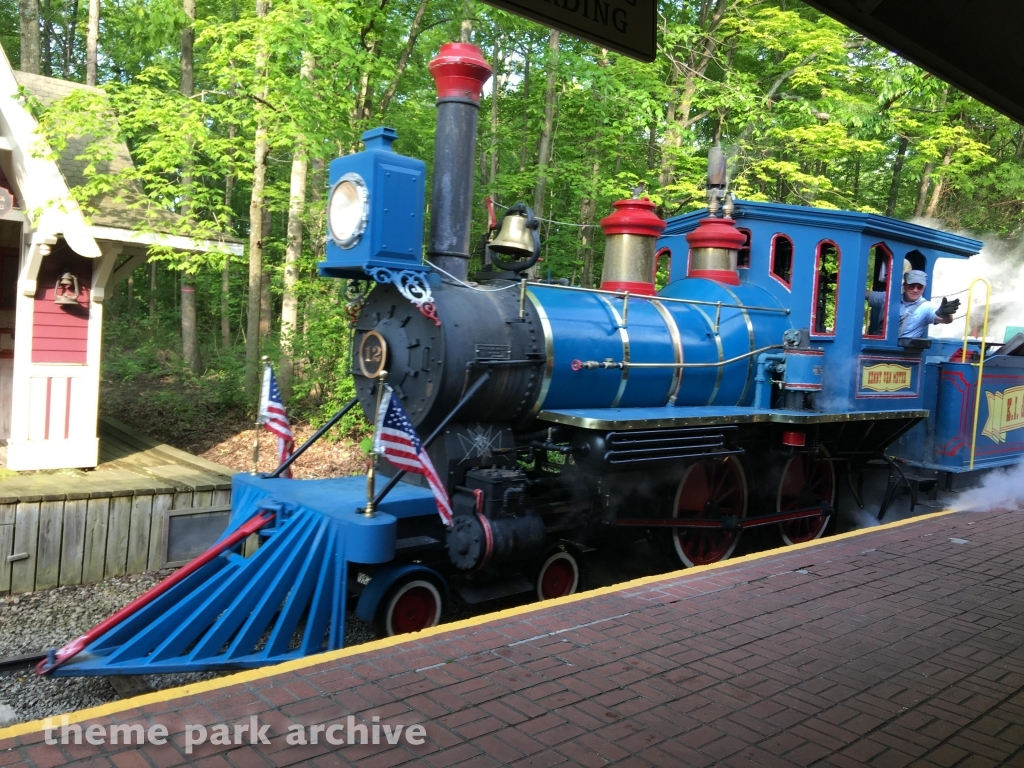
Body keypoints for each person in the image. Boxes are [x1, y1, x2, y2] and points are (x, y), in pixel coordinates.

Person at [866, 269, 959, 339]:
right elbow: (862, 294)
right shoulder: (887, 298)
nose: (915, 290)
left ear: (924, 288)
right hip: (876, 345)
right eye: (911, 286)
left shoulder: (926, 307)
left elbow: (946, 320)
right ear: (904, 286)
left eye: (919, 287)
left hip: (901, 355)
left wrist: (944, 312)